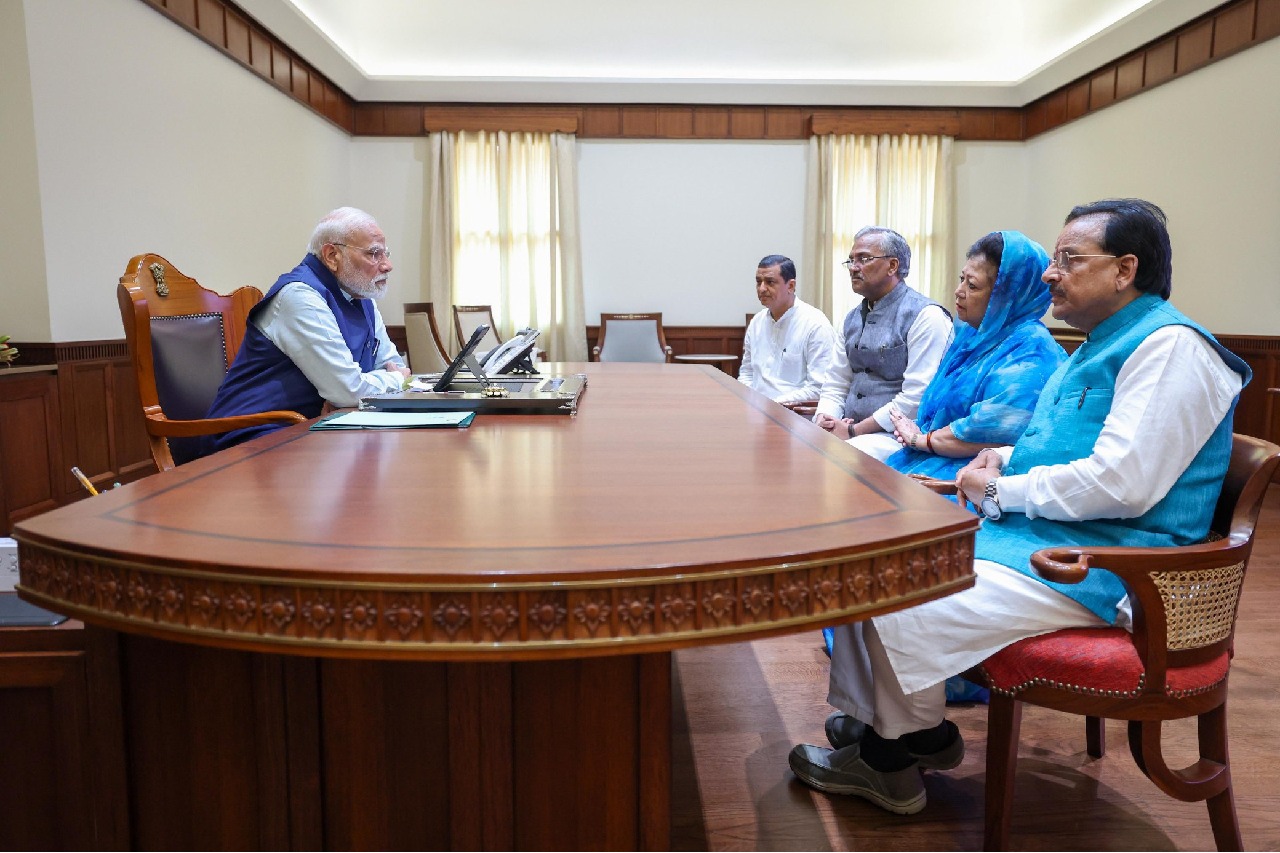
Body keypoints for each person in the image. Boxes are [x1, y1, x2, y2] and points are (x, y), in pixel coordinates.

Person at [789, 199, 1250, 816]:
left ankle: (887, 761)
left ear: (1125, 269)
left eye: (1069, 259)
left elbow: (1125, 483)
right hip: (1060, 539)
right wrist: (1006, 457)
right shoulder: (1102, 343)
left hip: (1114, 566)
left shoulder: (1171, 348)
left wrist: (999, 489)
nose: (1050, 273)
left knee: (898, 583)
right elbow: (1070, 442)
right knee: (876, 554)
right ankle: (911, 732)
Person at [200, 207, 410, 456]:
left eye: (385, 254)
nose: (387, 265)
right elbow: (352, 389)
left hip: (316, 431)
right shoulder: (300, 295)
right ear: (332, 255)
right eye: (374, 254)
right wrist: (392, 380)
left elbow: (391, 365)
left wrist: (370, 386)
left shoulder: (363, 297)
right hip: (251, 439)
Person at [881, 231, 1066, 480]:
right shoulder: (973, 335)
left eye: (972, 285)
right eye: (962, 279)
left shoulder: (1033, 350)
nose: (958, 291)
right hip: (932, 455)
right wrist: (920, 438)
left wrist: (921, 439)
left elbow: (993, 430)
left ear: (1006, 295)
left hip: (979, 471)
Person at [814, 226, 953, 461]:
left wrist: (853, 431)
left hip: (899, 435)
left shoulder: (927, 316)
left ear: (892, 266)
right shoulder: (851, 319)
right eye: (851, 260)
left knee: (839, 456)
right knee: (800, 443)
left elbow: (915, 399)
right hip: (849, 429)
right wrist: (825, 421)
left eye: (864, 259)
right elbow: (836, 384)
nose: (854, 268)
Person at [739, 254, 841, 411]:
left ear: (791, 286)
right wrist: (751, 402)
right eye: (759, 282)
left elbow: (820, 387)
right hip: (755, 410)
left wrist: (773, 405)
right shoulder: (757, 322)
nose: (762, 289)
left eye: (770, 282)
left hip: (795, 414)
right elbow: (747, 373)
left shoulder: (815, 325)